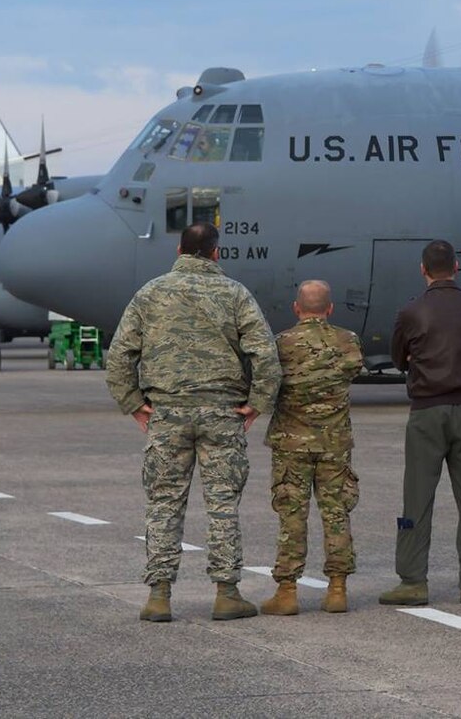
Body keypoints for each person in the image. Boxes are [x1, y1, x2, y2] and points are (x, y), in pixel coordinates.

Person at [105, 221, 281, 623]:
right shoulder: (235, 293)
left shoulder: (150, 294)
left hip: (167, 414)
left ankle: (159, 595)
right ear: (216, 253)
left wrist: (133, 403)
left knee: (163, 504)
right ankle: (226, 592)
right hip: (222, 414)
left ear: (179, 252)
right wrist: (256, 403)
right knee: (222, 504)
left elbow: (119, 356)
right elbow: (265, 356)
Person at [381, 240, 461, 607]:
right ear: (457, 267)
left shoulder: (412, 311)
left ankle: (413, 581)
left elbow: (398, 358)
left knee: (418, 497)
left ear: (423, 269)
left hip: (427, 409)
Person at [261, 280, 364, 616]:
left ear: (296, 308)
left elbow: (270, 384)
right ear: (330, 309)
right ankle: (337, 589)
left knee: (292, 515)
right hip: (334, 443)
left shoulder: (282, 344)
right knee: (336, 512)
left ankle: (287, 591)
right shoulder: (348, 342)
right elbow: (350, 373)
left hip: (291, 443)